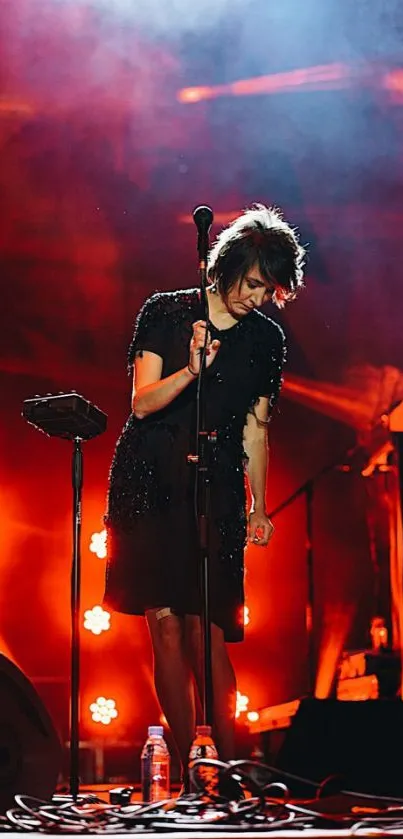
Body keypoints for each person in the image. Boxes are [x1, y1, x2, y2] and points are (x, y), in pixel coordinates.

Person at [104, 203, 305, 787]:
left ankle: (229, 768)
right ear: (225, 268)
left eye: (270, 291)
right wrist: (191, 370)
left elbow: (255, 428)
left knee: (208, 625)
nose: (258, 299)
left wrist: (258, 504)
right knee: (165, 619)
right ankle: (191, 770)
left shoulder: (266, 339)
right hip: (151, 471)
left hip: (215, 477)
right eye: (252, 285)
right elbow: (141, 402)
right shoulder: (167, 313)